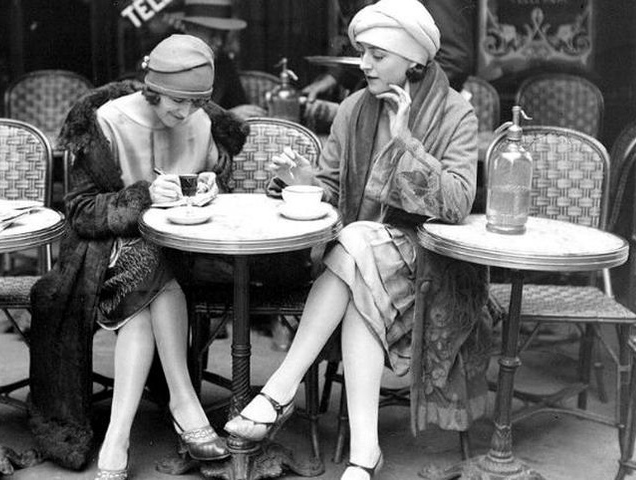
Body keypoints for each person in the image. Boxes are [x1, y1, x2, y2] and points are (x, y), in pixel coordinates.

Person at [222, 1, 492, 479]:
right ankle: (365, 453)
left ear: (413, 60)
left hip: (427, 258)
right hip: (361, 260)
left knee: (354, 245)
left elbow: (456, 203)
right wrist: (302, 181)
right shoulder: (353, 109)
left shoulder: (456, 114)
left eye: (377, 55)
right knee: (358, 262)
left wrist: (406, 140)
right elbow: (329, 187)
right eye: (363, 52)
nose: (363, 63)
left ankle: (279, 391)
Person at [28, 34, 249, 477]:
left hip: (180, 252)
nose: (185, 113)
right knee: (150, 265)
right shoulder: (107, 121)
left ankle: (118, 436)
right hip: (103, 253)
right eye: (177, 102)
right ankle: (184, 404)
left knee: (151, 277)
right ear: (152, 89)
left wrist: (211, 185)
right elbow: (80, 212)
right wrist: (143, 196)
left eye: (196, 103)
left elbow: (211, 189)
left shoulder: (201, 122)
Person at [302, 0, 476, 101]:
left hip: (425, 113)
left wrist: (399, 94)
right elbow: (375, 38)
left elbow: (455, 59)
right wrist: (335, 77)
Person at [177, 0, 267, 119]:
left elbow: (239, 105)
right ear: (189, 29)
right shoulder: (167, 63)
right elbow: (176, 119)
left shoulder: (223, 63)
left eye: (223, 35)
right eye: (213, 35)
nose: (219, 42)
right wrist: (225, 117)